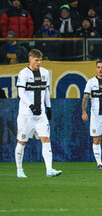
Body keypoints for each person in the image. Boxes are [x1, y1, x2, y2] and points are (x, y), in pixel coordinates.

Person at [15, 49, 62, 178]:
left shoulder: (45, 73)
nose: (39, 63)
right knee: (22, 141)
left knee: (46, 139)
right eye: (36, 60)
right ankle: (19, 170)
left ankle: (49, 170)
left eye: (40, 60)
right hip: (27, 115)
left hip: (40, 114)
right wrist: (31, 106)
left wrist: (49, 107)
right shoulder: (23, 73)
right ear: (30, 59)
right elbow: (21, 93)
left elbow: (46, 91)